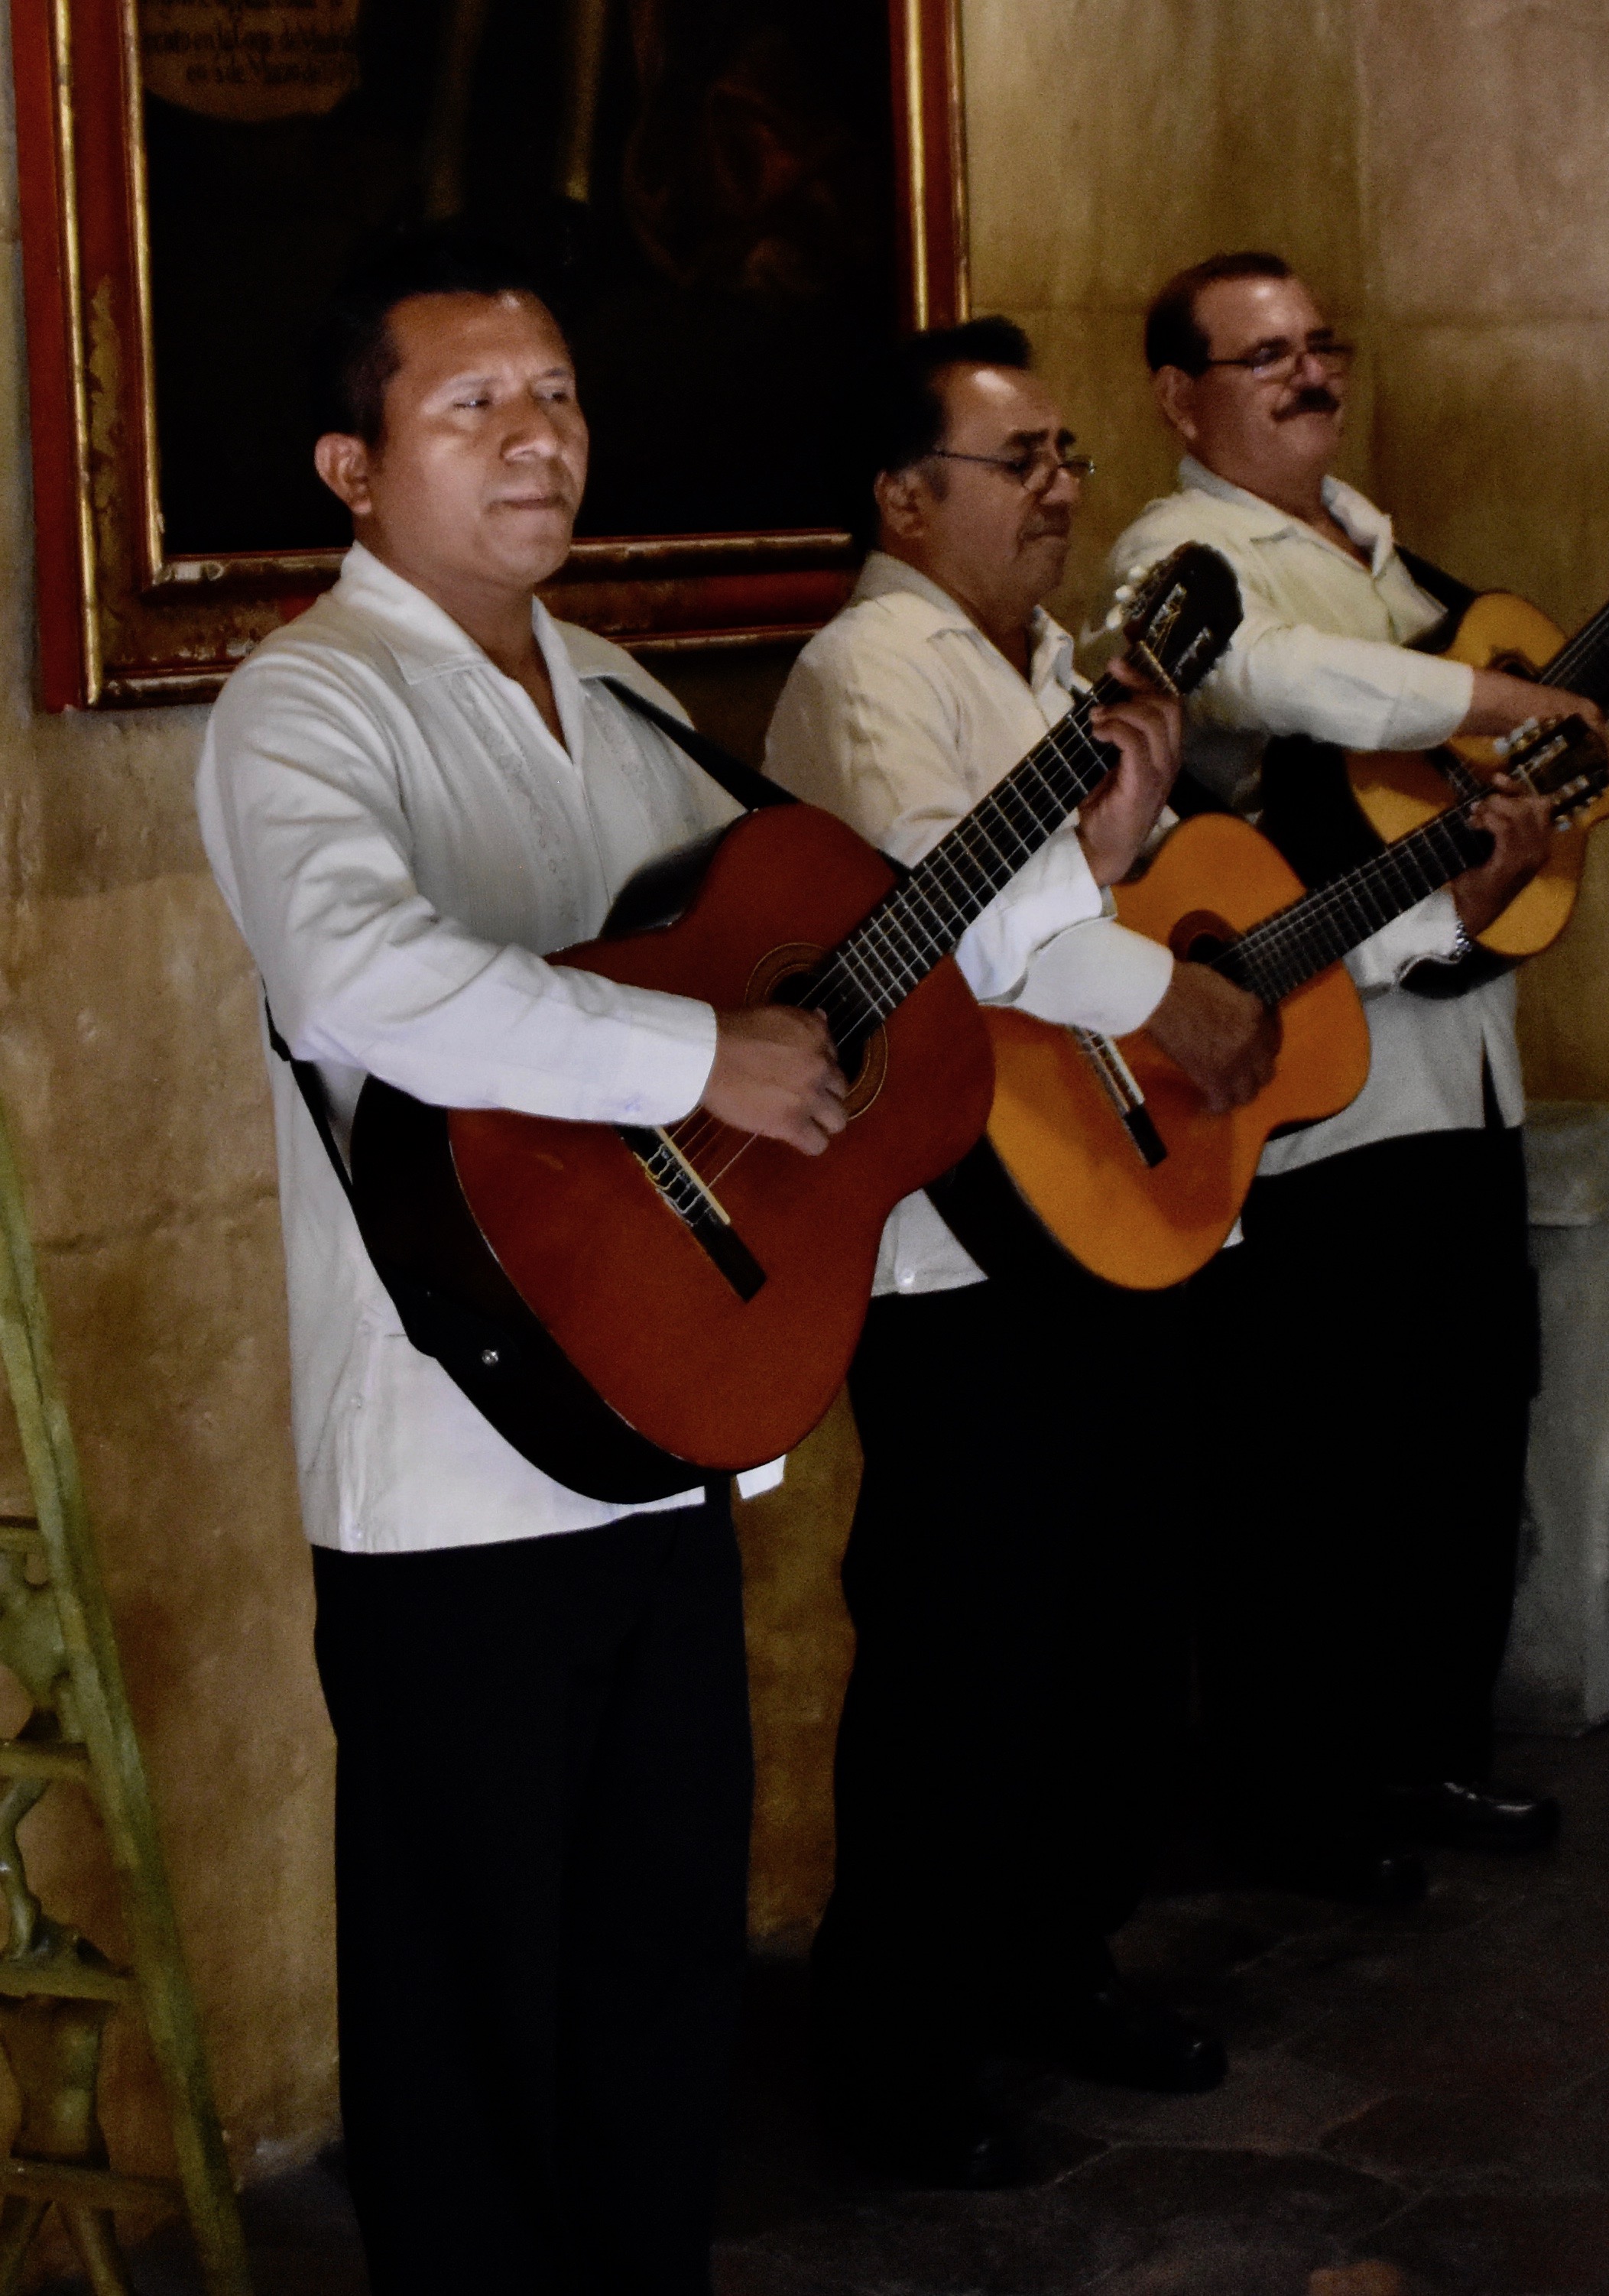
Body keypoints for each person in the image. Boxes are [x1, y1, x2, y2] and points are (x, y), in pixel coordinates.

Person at [193, 228, 848, 2296]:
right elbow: (363, 976)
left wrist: (1064, 874)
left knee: (658, 1965)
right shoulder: (302, 701)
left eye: (553, 394)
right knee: (470, 1999)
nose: (530, 436)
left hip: (655, 1424)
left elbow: (798, 933)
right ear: (349, 468)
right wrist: (690, 1051)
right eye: (469, 405)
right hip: (448, 1463)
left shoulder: (622, 690)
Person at [1089, 251, 1609, 1902]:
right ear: (1180, 397)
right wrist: (1504, 695)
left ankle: (1428, 1754)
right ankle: (1297, 1807)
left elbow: (1453, 746)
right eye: (1263, 355)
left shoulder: (1382, 546)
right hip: (1312, 1095)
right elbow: (1293, 685)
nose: (1307, 374)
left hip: (1464, 1071)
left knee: (1458, 1424)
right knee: (1312, 1463)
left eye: (1319, 347)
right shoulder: (1178, 557)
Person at [762, 316, 1276, 2189]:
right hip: (948, 1243)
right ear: (906, 498)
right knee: (959, 1655)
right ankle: (897, 2045)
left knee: (1109, 1631)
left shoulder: (1061, 666)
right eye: (1023, 462)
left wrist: (1144, 867)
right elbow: (951, 922)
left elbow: (1094, 887)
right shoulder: (861, 672)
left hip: (1089, 1206)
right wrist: (1167, 986)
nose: (1063, 489)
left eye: (1070, 455)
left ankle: (1055, 1961)